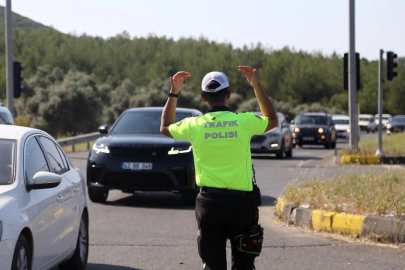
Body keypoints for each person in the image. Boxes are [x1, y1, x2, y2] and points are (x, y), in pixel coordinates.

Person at [160, 66, 278, 270]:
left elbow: (164, 126)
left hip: (209, 205)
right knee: (244, 265)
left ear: (203, 97)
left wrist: (174, 92)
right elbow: (273, 119)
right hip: (241, 206)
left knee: (213, 265)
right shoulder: (244, 121)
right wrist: (255, 85)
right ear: (229, 95)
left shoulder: (194, 125)